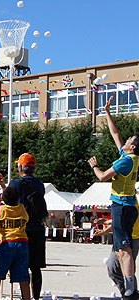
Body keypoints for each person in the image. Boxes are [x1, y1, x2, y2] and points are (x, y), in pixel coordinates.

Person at [88, 95, 139, 299]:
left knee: (124, 250)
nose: (125, 140)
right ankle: (129, 289)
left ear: (133, 147)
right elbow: (115, 134)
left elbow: (102, 177)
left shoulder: (125, 162)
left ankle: (130, 289)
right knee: (120, 251)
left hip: (123, 206)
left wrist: (94, 165)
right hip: (125, 206)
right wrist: (107, 113)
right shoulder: (130, 157)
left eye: (129, 141)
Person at [8, 153, 47, 300]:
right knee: (36, 267)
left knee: (22, 265)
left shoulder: (15, 183)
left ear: (20, 167)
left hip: (21, 229)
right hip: (38, 228)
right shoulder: (40, 185)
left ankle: (25, 296)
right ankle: (35, 296)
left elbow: (9, 201)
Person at [0, 186, 31, 300]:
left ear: (3, 198)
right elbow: (26, 219)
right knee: (23, 278)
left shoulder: (0, 210)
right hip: (22, 243)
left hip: (6, 243)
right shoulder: (22, 208)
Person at [94, 203, 139, 297]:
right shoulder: (120, 199)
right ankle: (128, 294)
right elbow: (119, 221)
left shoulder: (132, 198)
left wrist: (106, 222)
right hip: (120, 235)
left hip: (133, 237)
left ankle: (131, 294)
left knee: (127, 268)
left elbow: (126, 219)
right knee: (112, 268)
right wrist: (105, 230)